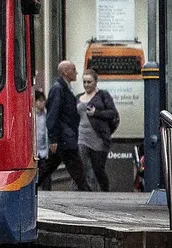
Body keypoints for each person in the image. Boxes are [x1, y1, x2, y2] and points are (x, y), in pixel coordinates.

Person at [42, 59, 89, 190]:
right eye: (73, 70)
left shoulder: (65, 88)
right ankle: (86, 190)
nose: (77, 72)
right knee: (51, 166)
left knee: (71, 168)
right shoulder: (58, 89)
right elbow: (53, 114)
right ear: (65, 72)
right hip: (63, 138)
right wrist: (53, 138)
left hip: (67, 137)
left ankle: (85, 190)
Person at [77, 68, 119, 191]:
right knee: (81, 166)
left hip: (98, 138)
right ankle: (81, 192)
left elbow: (112, 113)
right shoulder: (78, 97)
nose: (86, 85)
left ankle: (105, 190)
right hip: (82, 137)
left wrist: (96, 113)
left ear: (95, 82)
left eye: (89, 82)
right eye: (84, 82)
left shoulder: (103, 95)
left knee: (98, 169)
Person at [34, 89, 50, 189]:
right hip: (35, 151)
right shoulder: (31, 115)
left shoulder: (47, 114)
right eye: (39, 100)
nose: (42, 103)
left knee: (46, 174)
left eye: (43, 100)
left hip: (44, 151)